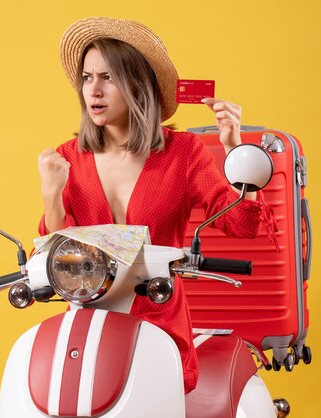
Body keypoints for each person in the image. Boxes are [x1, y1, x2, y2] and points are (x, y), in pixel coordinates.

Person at [37, 17, 274, 394]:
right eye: (87, 77)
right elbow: (58, 257)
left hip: (159, 324)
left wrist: (235, 150)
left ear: (137, 83)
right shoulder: (68, 159)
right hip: (88, 328)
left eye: (108, 78)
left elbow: (245, 227)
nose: (93, 91)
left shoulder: (184, 153)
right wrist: (51, 195)